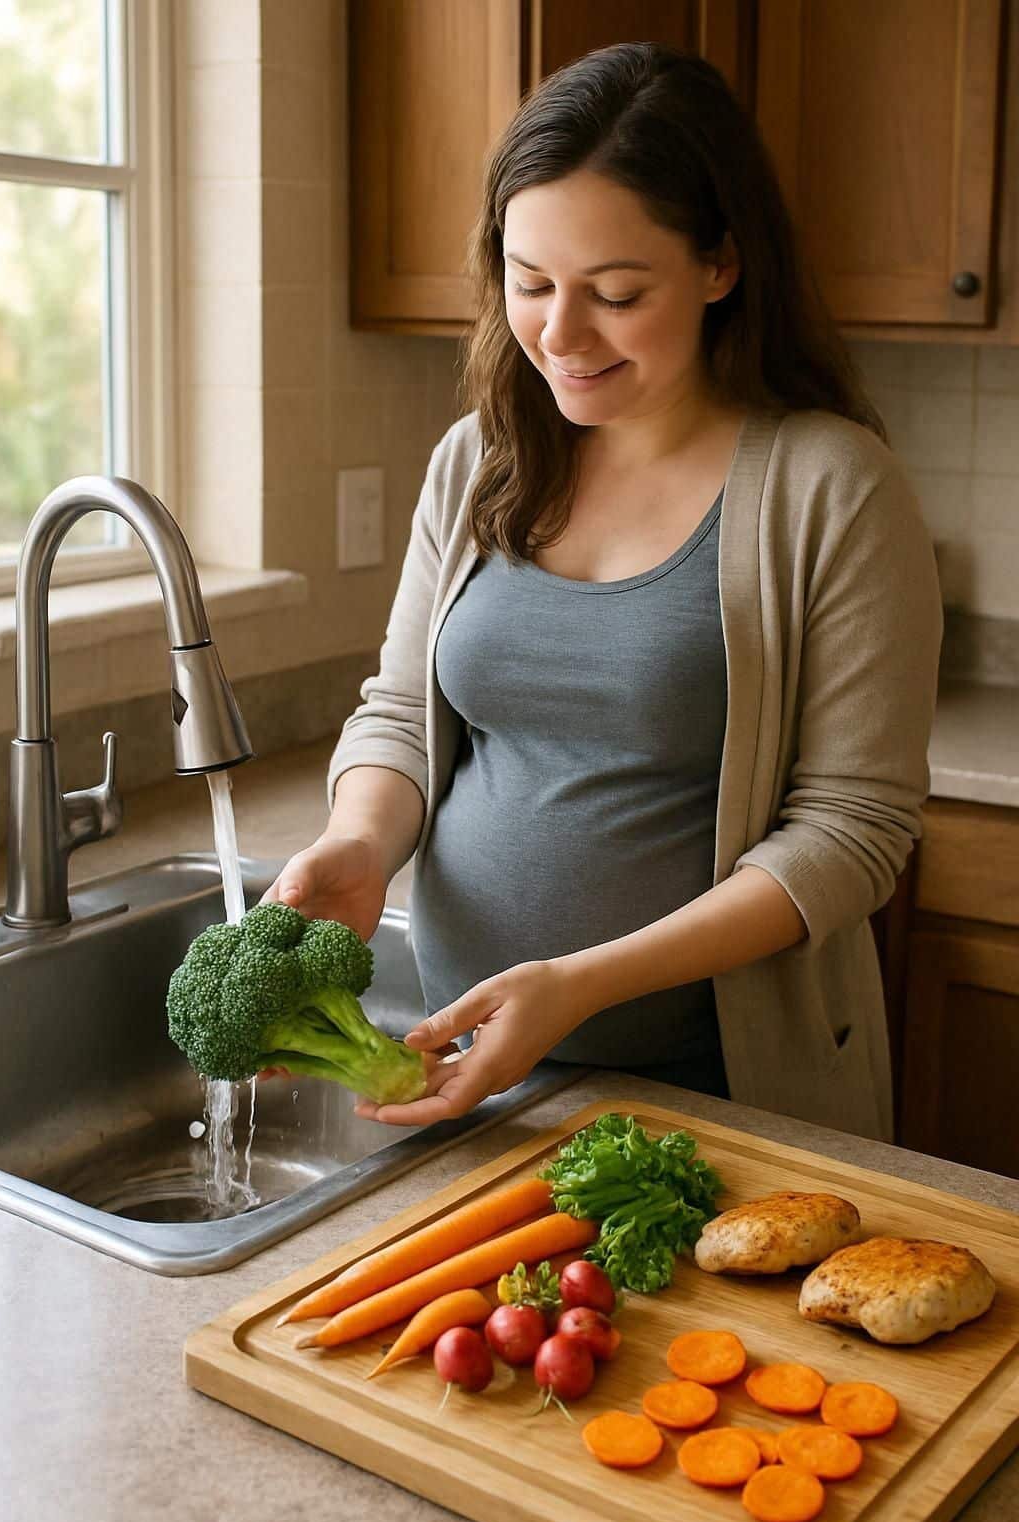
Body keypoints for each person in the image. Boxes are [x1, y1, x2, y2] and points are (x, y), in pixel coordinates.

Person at [262, 43, 942, 1141]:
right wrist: (359, 844)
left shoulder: (831, 487)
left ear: (720, 264)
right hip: (467, 1069)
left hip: (714, 1091)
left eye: (615, 294)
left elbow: (851, 833)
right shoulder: (480, 458)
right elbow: (401, 714)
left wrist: (580, 982)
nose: (560, 337)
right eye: (529, 284)